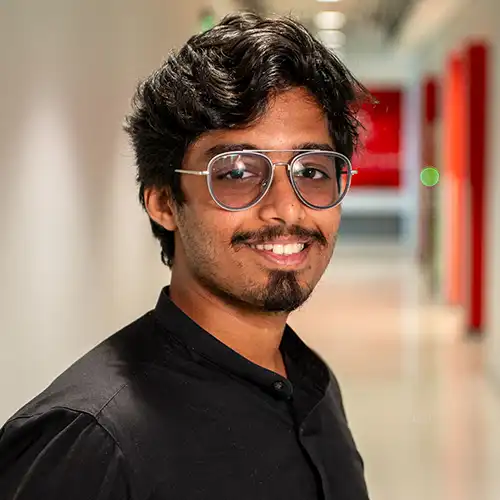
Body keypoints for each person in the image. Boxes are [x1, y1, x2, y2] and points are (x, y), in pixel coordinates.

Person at [0, 11, 371, 500]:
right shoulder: (94, 443)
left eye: (313, 171)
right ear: (163, 201)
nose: (286, 207)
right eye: (237, 173)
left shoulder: (310, 381)